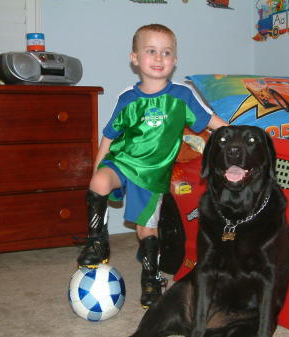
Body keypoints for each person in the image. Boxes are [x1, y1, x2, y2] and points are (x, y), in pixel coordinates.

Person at [77, 23, 228, 308]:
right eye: (151, 51)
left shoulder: (182, 95)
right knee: (99, 182)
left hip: (152, 176)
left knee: (147, 230)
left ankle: (150, 278)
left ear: (175, 61)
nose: (158, 58)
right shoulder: (127, 98)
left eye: (166, 52)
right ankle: (98, 243)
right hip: (122, 161)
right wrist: (98, 168)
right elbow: (108, 138)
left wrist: (237, 135)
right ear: (135, 58)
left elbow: (210, 121)